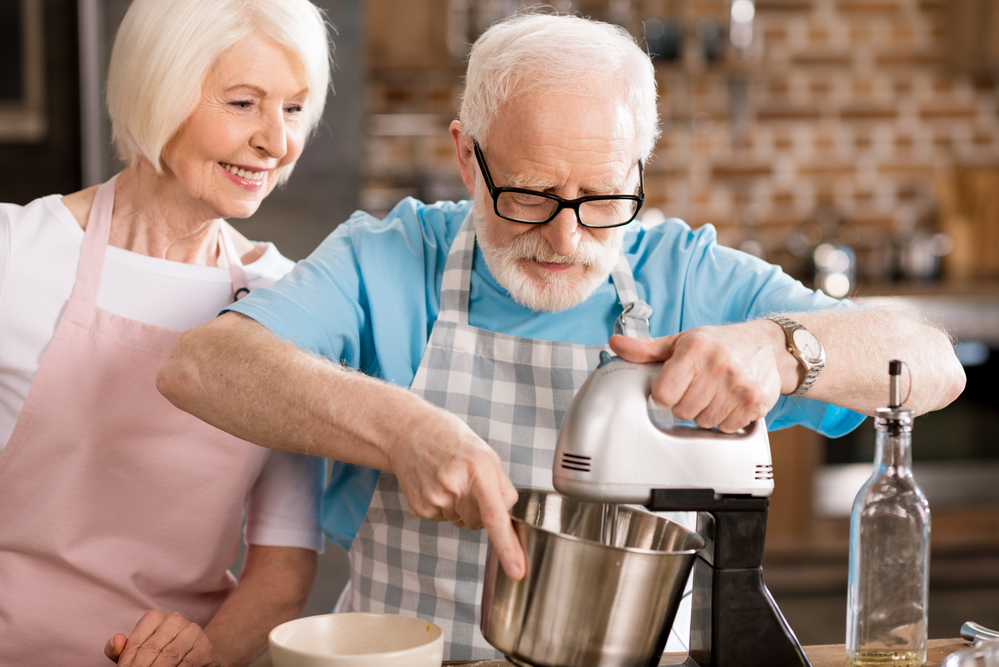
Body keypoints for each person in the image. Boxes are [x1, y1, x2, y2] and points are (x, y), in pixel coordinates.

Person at [157, 13, 966, 661]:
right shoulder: (391, 259)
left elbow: (931, 365)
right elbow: (202, 366)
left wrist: (782, 349)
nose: (567, 237)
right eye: (532, 195)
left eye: (604, 197)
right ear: (467, 160)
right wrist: (400, 428)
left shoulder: (685, 275)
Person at [0, 0, 334, 665]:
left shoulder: (287, 302)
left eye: (293, 108)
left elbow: (282, 570)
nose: (277, 140)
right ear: (157, 92)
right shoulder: (16, 258)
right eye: (243, 103)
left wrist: (199, 654)